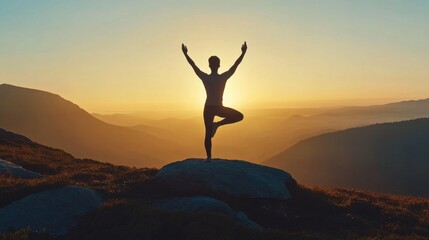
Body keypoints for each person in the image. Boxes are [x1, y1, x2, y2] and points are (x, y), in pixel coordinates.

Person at [182, 42, 247, 160]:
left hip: (208, 108)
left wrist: (186, 54)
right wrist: (243, 53)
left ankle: (209, 157)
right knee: (239, 116)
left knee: (207, 133)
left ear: (209, 65)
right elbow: (235, 65)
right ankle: (217, 125)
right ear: (219, 65)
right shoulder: (223, 77)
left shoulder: (205, 77)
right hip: (218, 107)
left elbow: (193, 66)